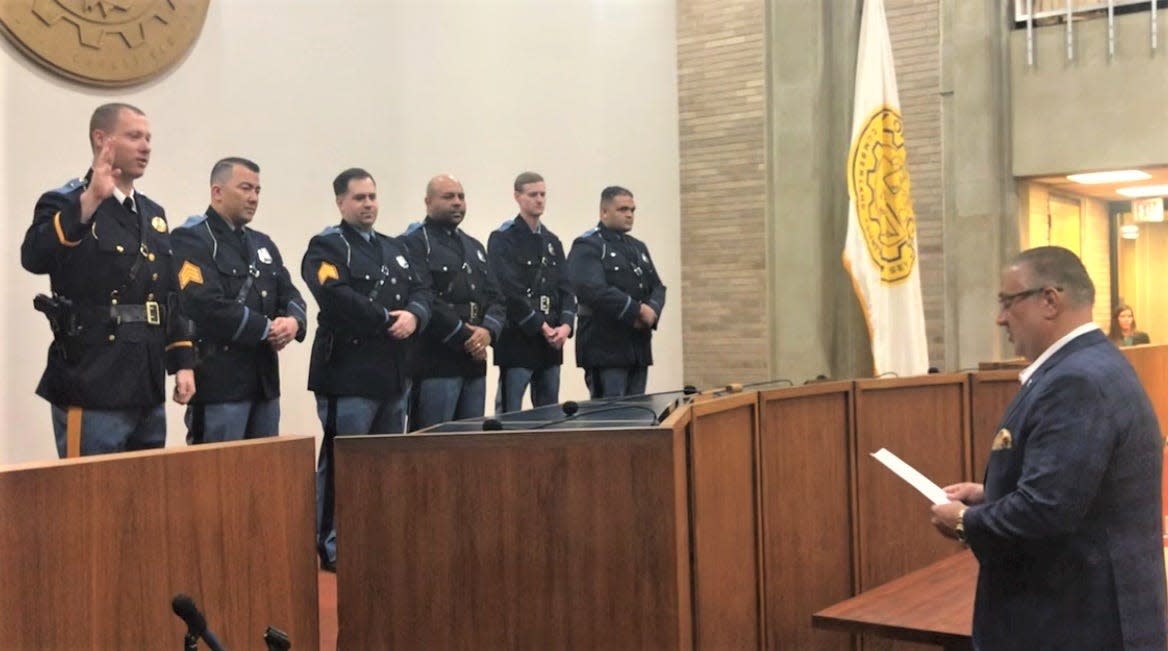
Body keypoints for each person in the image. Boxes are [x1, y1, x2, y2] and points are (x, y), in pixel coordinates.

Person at [930, 246, 1167, 650]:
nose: (1000, 317)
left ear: (1050, 300)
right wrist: (992, 494)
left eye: (1008, 302)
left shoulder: (1076, 381)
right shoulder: (1094, 364)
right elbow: (1082, 488)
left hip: (1074, 622)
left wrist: (964, 522)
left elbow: (1047, 510)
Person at [20, 102, 195, 458]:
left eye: (148, 137)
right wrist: (90, 200)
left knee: (144, 499)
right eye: (134, 136)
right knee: (89, 500)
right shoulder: (66, 201)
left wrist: (183, 363)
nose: (146, 146)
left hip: (146, 384)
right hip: (92, 380)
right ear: (102, 140)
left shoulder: (153, 214)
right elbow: (33, 256)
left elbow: (169, 296)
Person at [301, 167, 432, 572]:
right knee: (345, 461)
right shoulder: (326, 247)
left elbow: (423, 289)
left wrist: (414, 315)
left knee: (384, 461)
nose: (368, 204)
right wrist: (384, 319)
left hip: (393, 374)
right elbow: (334, 295)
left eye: (372, 197)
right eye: (359, 198)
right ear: (341, 202)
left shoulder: (396, 248)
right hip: (348, 374)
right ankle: (332, 543)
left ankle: (376, 534)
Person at [171, 157, 307, 443]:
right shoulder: (192, 239)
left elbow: (290, 293)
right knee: (216, 478)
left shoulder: (262, 244)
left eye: (258, 191)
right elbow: (203, 304)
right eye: (245, 188)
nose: (253, 197)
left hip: (264, 384)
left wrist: (293, 322)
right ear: (217, 192)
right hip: (220, 384)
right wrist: (266, 329)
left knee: (265, 475)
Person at [401, 175, 504, 429]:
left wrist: (488, 332)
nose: (457, 203)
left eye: (461, 196)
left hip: (474, 362)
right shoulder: (413, 242)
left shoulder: (474, 246)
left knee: (470, 445)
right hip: (436, 359)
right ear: (428, 202)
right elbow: (423, 296)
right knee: (434, 443)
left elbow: (496, 297)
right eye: (448, 197)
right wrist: (466, 335)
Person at [487, 171, 576, 413]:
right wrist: (539, 324)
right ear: (518, 196)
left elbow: (566, 288)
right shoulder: (503, 239)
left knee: (549, 411)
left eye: (543, 195)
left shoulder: (552, 242)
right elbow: (507, 289)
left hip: (551, 340)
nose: (539, 200)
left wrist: (566, 325)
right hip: (519, 337)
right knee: (509, 410)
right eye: (533, 194)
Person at [567, 186, 666, 398]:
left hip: (637, 346)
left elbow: (657, 286)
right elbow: (591, 290)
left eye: (632, 210)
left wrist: (652, 312)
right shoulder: (588, 244)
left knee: (637, 415)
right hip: (605, 347)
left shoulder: (637, 247)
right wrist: (637, 311)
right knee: (611, 418)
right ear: (604, 212)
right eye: (623, 209)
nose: (629, 214)